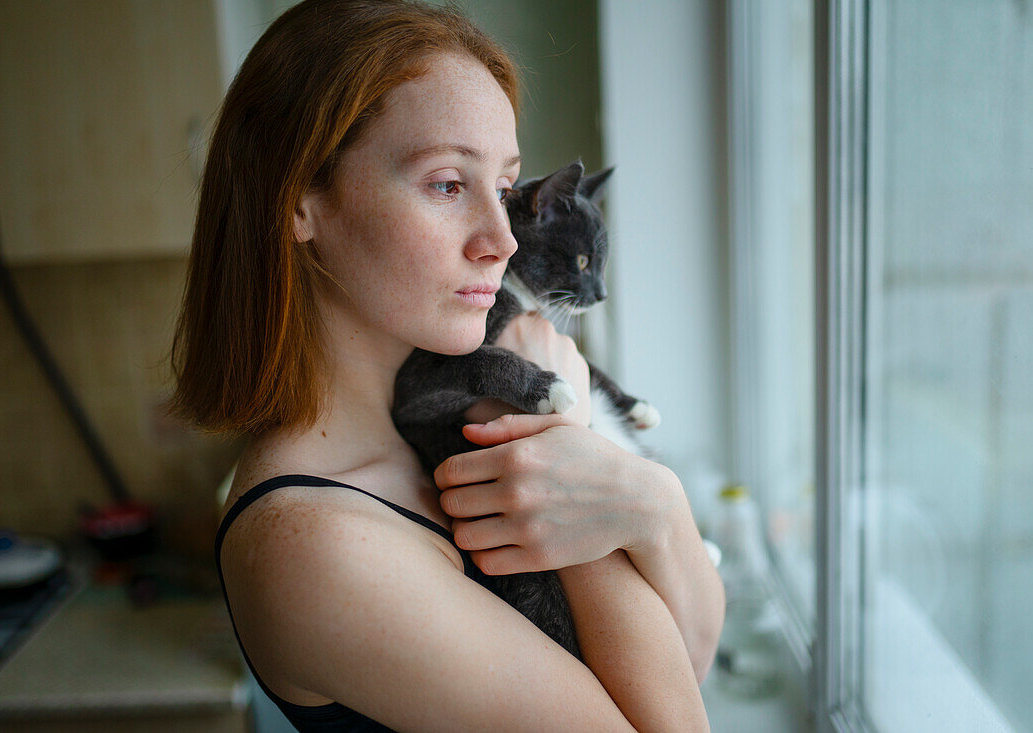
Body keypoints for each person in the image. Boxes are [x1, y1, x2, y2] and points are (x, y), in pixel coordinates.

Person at [169, 1, 724, 730]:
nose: (503, 239)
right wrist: (555, 442)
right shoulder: (313, 543)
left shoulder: (429, 424)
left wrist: (654, 505)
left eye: (502, 190)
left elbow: (690, 657)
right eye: (446, 184)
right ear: (300, 201)